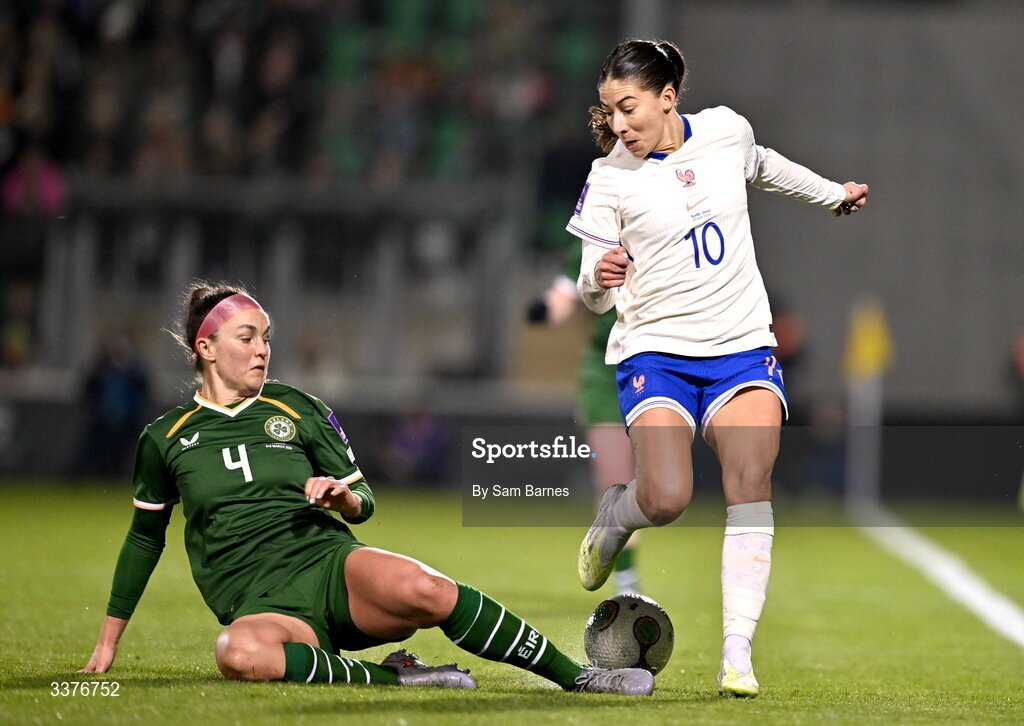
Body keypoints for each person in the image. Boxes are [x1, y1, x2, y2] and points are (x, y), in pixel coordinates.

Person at [80, 282, 654, 696]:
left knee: (427, 587)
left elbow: (366, 502)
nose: (262, 349)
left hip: (329, 567)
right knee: (237, 652)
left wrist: (342, 498)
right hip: (259, 605)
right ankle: (395, 676)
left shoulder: (298, 409)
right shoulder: (165, 438)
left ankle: (577, 675)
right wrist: (108, 643)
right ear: (205, 349)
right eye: (246, 337)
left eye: (267, 338)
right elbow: (143, 541)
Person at [568, 40, 869, 698]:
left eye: (628, 107)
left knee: (749, 479)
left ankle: (738, 651)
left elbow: (763, 166)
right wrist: (601, 277)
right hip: (656, 350)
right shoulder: (610, 177)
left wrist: (831, 195)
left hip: (740, 344)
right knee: (667, 497)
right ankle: (618, 516)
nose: (617, 124)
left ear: (667, 97)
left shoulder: (727, 131)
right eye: (608, 111)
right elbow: (590, 283)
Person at [528, 247, 642, 595]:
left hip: (660, 365)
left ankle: (622, 571)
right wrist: (545, 312)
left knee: (655, 488)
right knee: (616, 483)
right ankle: (627, 587)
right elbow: (564, 296)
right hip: (605, 371)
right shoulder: (594, 236)